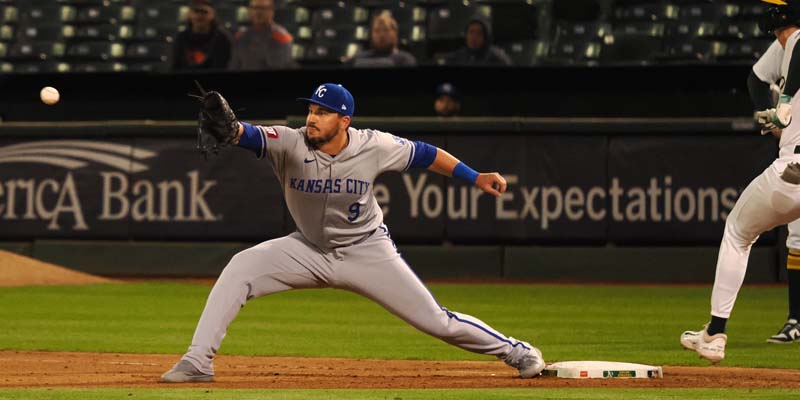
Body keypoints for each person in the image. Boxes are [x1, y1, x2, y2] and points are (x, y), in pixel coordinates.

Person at [159, 82, 545, 382]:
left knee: (436, 321)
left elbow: (426, 154)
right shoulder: (290, 142)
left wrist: (474, 176)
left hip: (366, 250)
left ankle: (518, 351)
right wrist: (231, 130)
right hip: (307, 249)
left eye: (323, 113)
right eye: (310, 109)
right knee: (241, 268)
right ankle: (197, 360)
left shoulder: (372, 145)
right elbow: (247, 134)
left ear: (344, 121)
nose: (311, 118)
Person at [680, 0, 800, 363]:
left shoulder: (795, 39)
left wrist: (786, 100)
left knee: (737, 231)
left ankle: (715, 334)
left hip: (794, 171)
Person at [228, 0, 298, 71]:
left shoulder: (281, 38)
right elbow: (234, 65)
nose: (257, 12)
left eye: (262, 8)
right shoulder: (241, 37)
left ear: (271, 11)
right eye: (254, 8)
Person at [172, 0, 233, 71]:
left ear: (212, 15)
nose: (199, 15)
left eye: (204, 12)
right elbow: (176, 66)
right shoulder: (181, 38)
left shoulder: (222, 39)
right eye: (196, 11)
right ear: (190, 14)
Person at [351, 11, 417, 68]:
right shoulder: (359, 58)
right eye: (377, 31)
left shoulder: (404, 59)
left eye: (385, 30)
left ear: (395, 33)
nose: (381, 35)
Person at [443, 14, 511, 66]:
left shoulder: (498, 59)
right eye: (471, 32)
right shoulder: (456, 57)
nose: (474, 37)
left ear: (486, 37)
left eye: (479, 33)